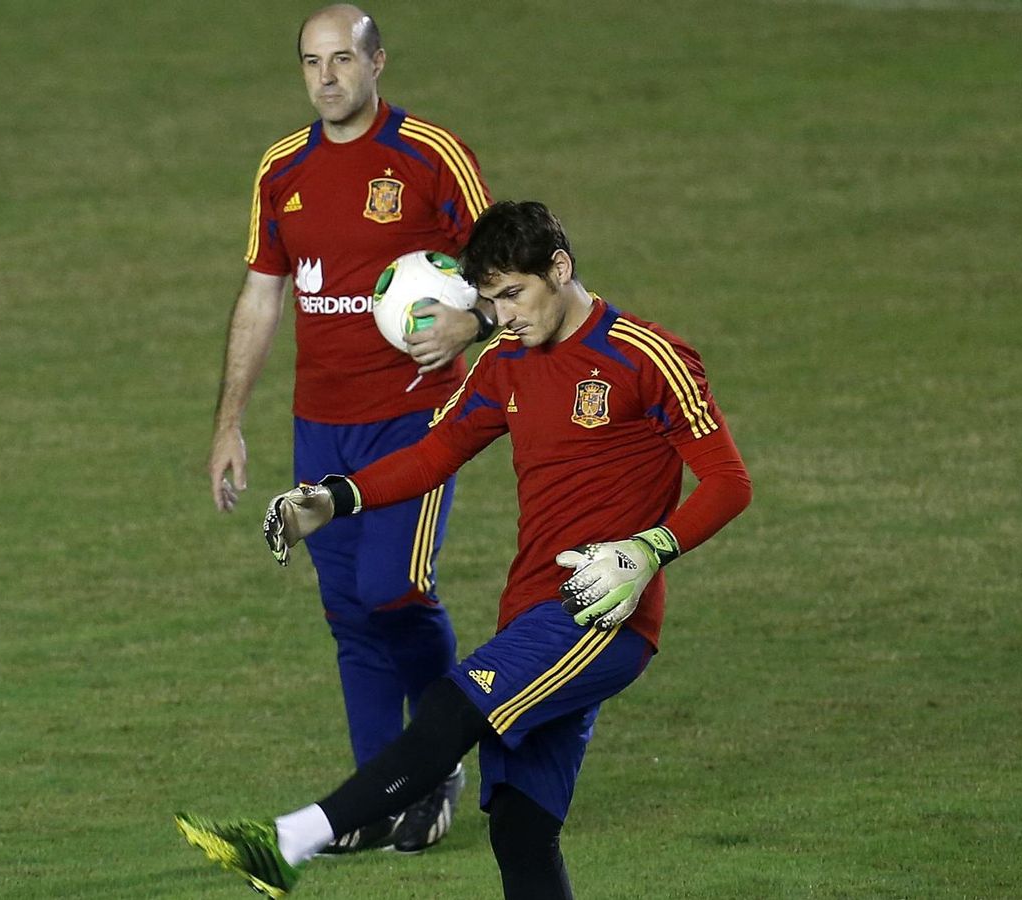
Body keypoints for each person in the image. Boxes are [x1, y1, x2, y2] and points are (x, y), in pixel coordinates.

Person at [177, 200, 753, 898]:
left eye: (514, 294)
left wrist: (647, 550)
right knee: (520, 826)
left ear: (560, 269)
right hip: (530, 608)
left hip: (603, 612)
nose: (504, 317)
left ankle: (284, 843)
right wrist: (335, 498)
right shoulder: (504, 365)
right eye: (490, 301)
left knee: (452, 709)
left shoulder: (645, 356)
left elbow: (728, 482)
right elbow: (433, 455)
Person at [205, 3, 496, 855]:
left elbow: (511, 267)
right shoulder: (281, 168)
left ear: (378, 64)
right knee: (348, 613)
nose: (326, 77)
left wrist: (472, 323)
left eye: (342, 59)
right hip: (318, 427)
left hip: (414, 418)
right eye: (310, 63)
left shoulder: (431, 157)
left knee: (393, 593)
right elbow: (263, 295)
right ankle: (374, 798)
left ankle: (436, 763)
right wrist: (230, 423)